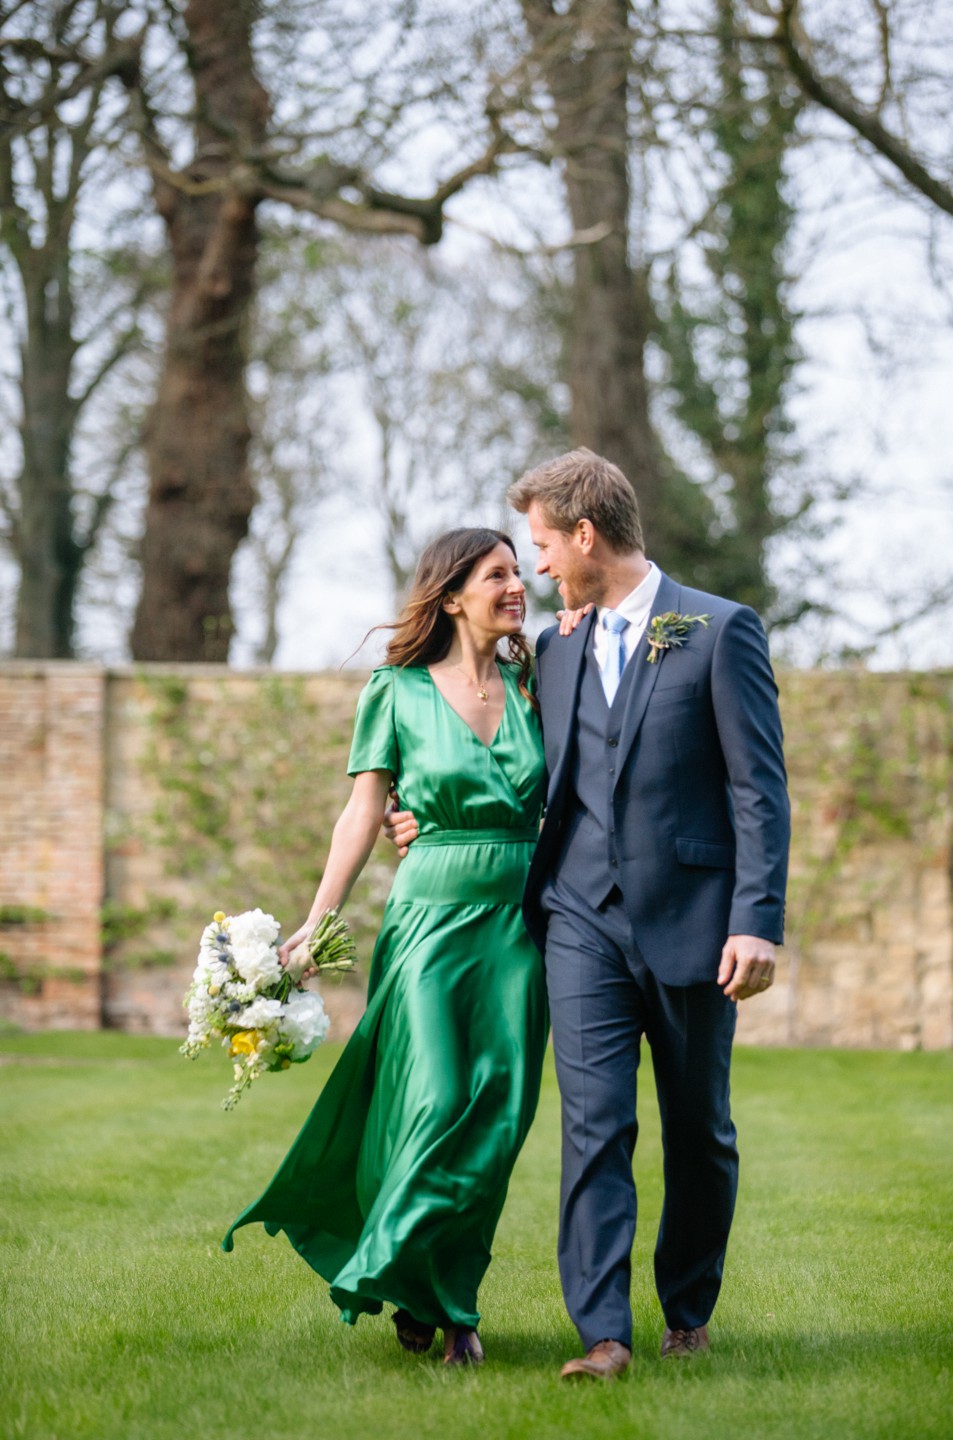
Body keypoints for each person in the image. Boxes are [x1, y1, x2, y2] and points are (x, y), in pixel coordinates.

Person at [387, 448, 790, 1380]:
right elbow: (507, 760)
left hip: (694, 919)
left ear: (584, 534)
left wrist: (756, 918)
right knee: (593, 1125)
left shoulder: (718, 630)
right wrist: (426, 818)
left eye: (541, 546)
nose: (536, 569)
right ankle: (602, 1334)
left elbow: (758, 791)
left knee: (699, 1130)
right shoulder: (555, 649)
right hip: (576, 919)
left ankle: (686, 1310)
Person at [222, 528, 550, 1366]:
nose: (517, 586)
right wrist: (316, 921)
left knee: (497, 1119)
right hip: (431, 922)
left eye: (519, 571)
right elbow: (364, 812)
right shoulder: (396, 691)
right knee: (437, 1101)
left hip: (523, 923)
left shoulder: (539, 682)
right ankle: (429, 1292)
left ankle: (438, 1287)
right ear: (450, 597)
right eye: (497, 575)